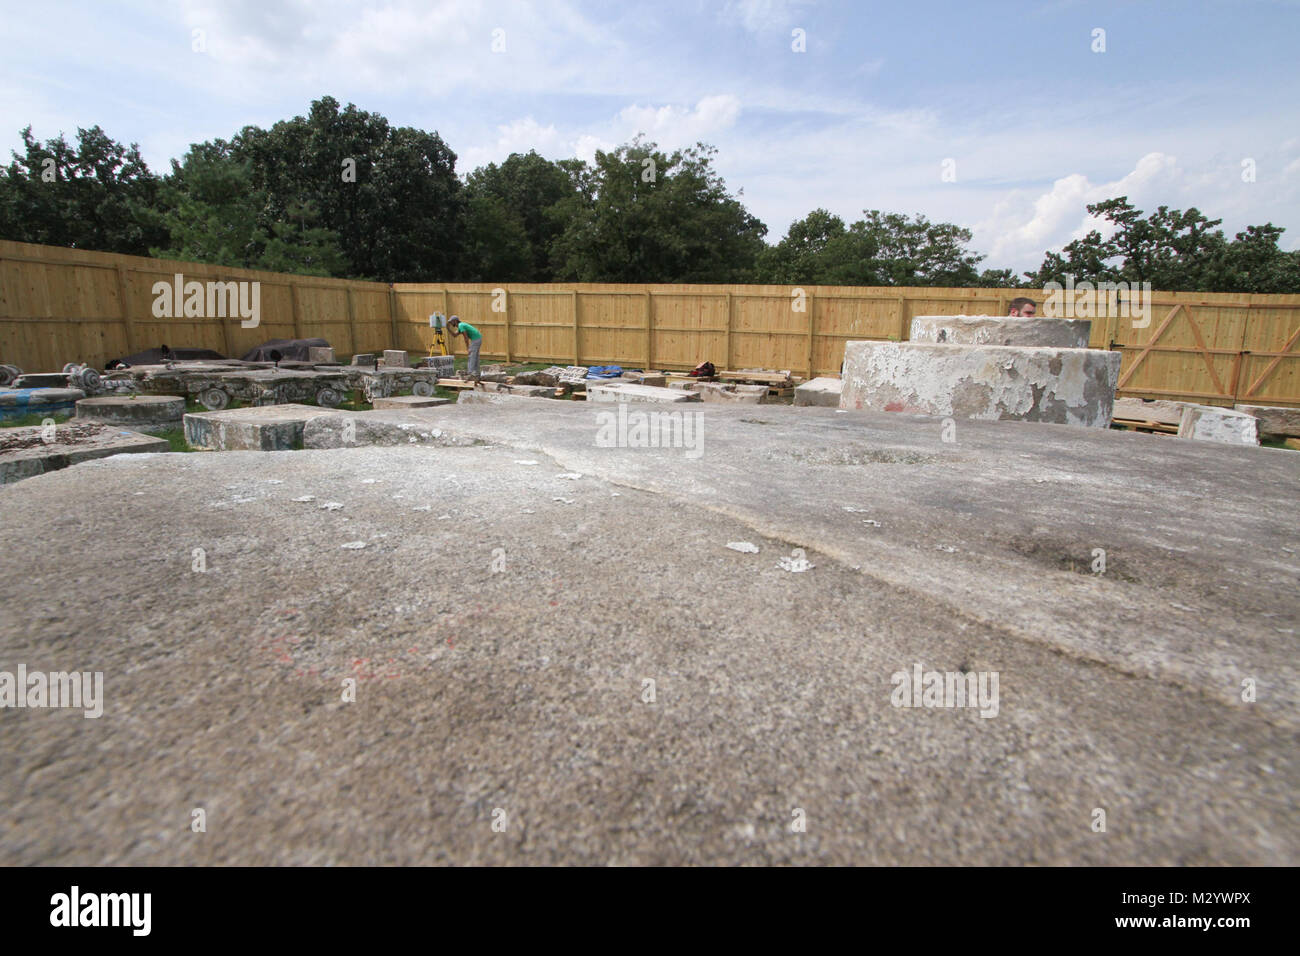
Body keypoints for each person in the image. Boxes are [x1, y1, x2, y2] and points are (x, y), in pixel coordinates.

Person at [446, 316, 482, 381]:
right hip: (478, 338)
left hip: (476, 339)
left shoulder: (461, 325)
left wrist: (468, 348)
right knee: (475, 356)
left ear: (455, 321)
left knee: (471, 356)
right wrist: (448, 329)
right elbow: (455, 335)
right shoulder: (461, 325)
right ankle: (476, 373)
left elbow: (466, 338)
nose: (451, 323)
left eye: (451, 322)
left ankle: (471, 374)